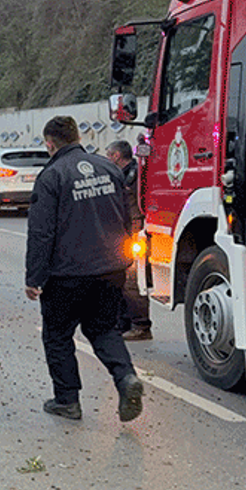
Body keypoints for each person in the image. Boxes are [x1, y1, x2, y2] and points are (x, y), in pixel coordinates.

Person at [25, 116, 143, 422]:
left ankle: (67, 401)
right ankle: (126, 377)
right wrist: (122, 258)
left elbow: (41, 233)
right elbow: (126, 217)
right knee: (104, 329)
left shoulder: (51, 176)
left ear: (49, 143)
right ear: (77, 137)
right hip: (110, 269)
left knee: (58, 335)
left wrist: (34, 278)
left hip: (67, 274)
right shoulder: (108, 168)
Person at [105, 139, 152, 341]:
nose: (107, 158)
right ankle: (123, 323)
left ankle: (141, 326)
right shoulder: (124, 174)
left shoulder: (134, 175)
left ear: (116, 156)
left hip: (135, 232)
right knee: (122, 281)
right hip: (124, 232)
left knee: (132, 281)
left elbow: (136, 207)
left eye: (108, 155)